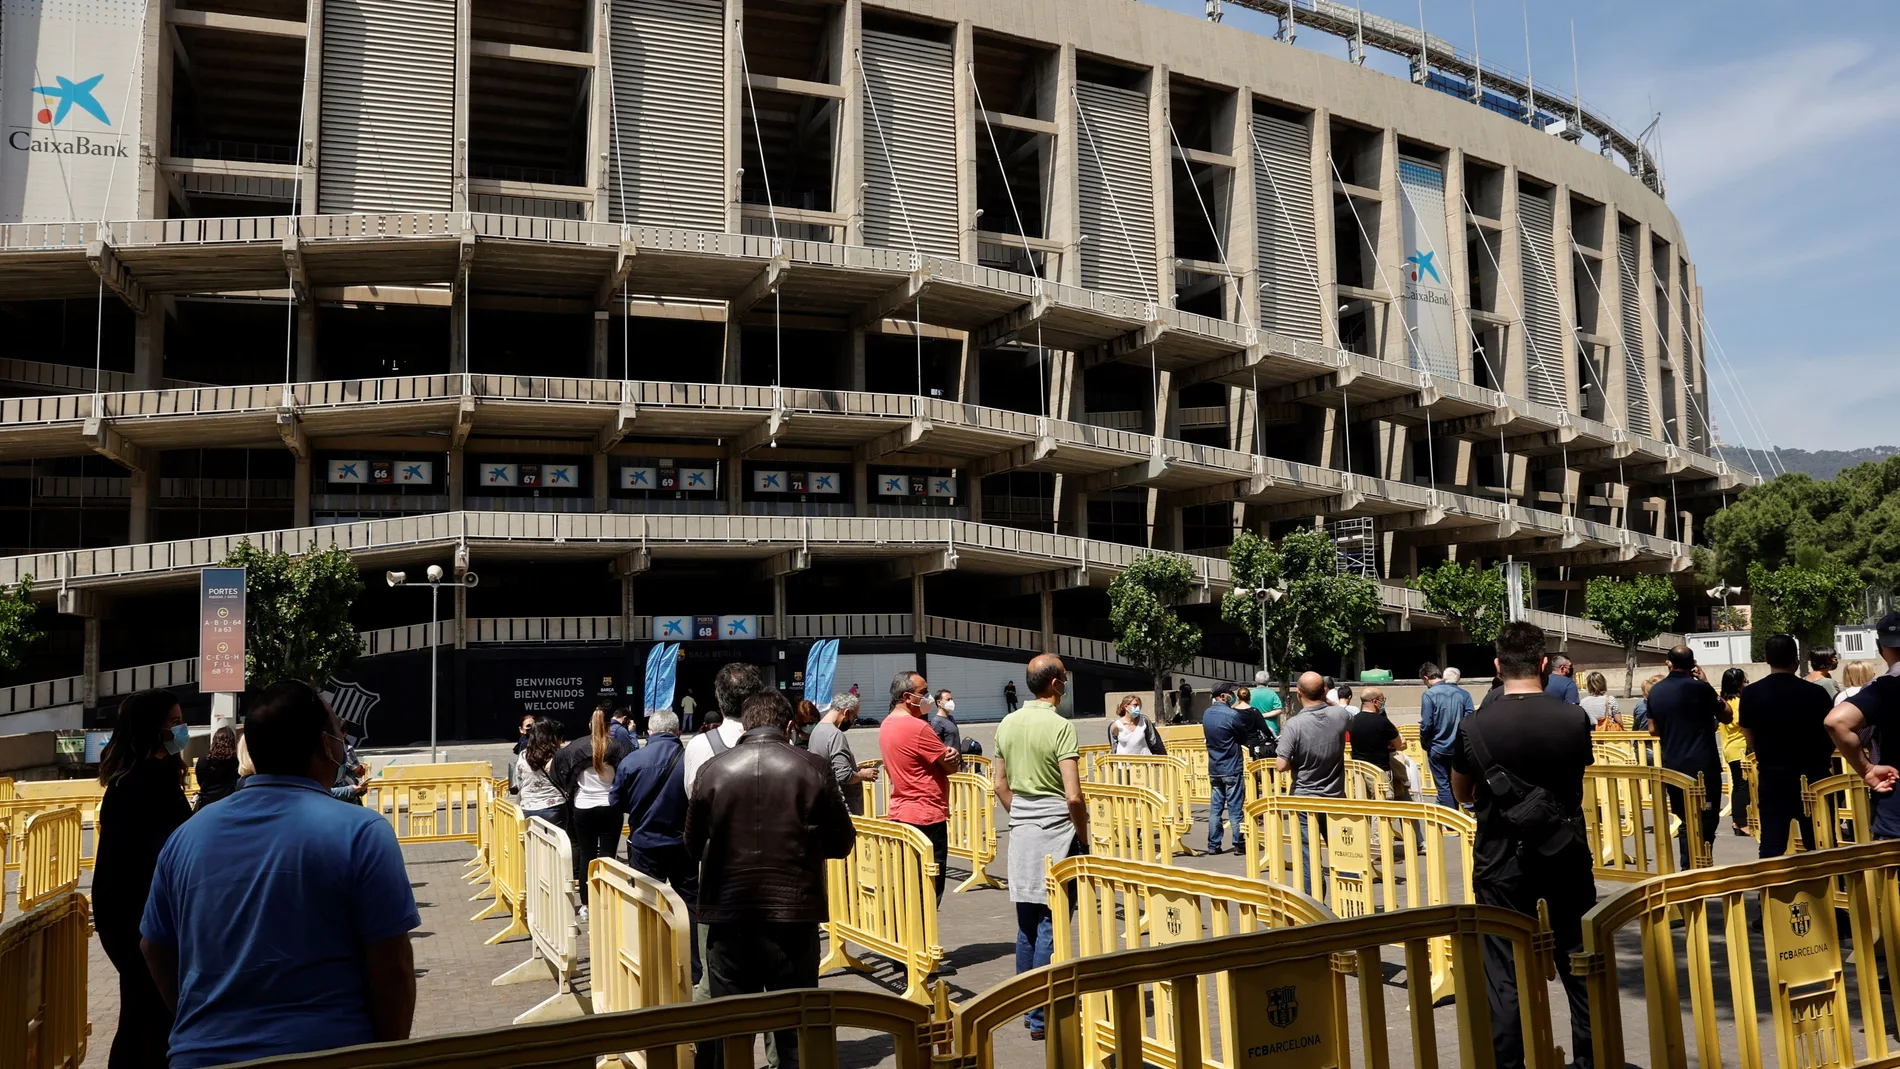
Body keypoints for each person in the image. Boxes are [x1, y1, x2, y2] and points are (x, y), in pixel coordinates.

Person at [140, 680, 418, 1069]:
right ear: (326, 744)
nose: (343, 740)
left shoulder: (186, 837)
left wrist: (201, 1028)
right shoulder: (362, 832)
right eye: (339, 730)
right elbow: (393, 968)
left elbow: (154, 949)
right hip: (330, 1053)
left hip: (199, 1056)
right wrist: (386, 1055)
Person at [1449, 620, 1594, 1069]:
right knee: (1579, 962)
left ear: (1497, 665)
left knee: (1502, 970)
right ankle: (1592, 1056)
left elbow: (1461, 793)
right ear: (1545, 664)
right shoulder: (1574, 718)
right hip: (1564, 851)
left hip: (1500, 859)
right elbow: (1576, 777)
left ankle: (1510, 1063)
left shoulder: (1475, 727)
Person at [686, 690, 855, 1069]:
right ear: (790, 725)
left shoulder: (712, 770)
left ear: (744, 725)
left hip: (729, 916)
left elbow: (693, 844)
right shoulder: (812, 766)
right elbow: (841, 840)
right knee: (795, 1028)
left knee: (730, 1026)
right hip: (793, 916)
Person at [93, 689, 193, 1069]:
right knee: (148, 1016)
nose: (181, 729)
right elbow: (156, 855)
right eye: (174, 722)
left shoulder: (155, 776)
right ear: (153, 728)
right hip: (135, 919)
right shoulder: (137, 785)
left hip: (142, 918)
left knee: (144, 1013)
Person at [993, 653, 1087, 1042]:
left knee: (1026, 924)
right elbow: (1074, 797)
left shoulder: (1007, 722)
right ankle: (1041, 1013)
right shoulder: (1061, 727)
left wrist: (1023, 815)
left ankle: (1026, 1006)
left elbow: (999, 784)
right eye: (1063, 678)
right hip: (1057, 832)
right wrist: (1084, 837)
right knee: (1052, 921)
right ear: (1054, 684)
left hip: (1022, 830)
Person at [609, 709, 702, 986]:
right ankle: (695, 968)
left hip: (644, 844)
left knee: (646, 905)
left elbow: (617, 802)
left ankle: (649, 967)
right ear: (677, 732)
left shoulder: (631, 761)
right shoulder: (690, 760)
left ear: (649, 733)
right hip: (682, 843)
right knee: (690, 906)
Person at [1740, 634, 1835, 857]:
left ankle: (1770, 889)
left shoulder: (1752, 693)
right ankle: (1831, 888)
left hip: (1773, 775)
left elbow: (1749, 736)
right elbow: (1830, 732)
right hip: (1813, 776)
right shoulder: (1816, 692)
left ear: (1766, 658)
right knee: (1821, 841)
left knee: (1772, 843)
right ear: (1795, 658)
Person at [881, 670, 962, 901]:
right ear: (907, 697)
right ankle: (923, 936)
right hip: (926, 814)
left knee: (908, 884)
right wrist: (953, 756)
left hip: (901, 812)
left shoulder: (887, 723)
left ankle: (907, 933)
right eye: (923, 692)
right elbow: (950, 767)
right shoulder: (918, 728)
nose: (927, 698)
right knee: (928, 889)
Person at [1645, 645, 1726, 868]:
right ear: (1693, 664)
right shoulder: (1701, 689)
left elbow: (1653, 729)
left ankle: (1688, 866)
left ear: (1668, 663)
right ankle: (1701, 862)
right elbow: (1726, 715)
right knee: (1707, 818)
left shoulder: (1656, 691)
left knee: (1685, 818)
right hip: (1704, 765)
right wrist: (1707, 683)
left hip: (1674, 765)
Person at [1824, 613, 1900, 841]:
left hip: (1895, 804)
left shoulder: (1885, 688)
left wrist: (1866, 769)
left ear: (1879, 647)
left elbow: (1837, 721)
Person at [552, 705, 632, 917]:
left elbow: (557, 771)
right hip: (610, 807)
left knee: (586, 855)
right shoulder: (619, 747)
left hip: (584, 807)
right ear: (608, 727)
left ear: (590, 725)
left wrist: (569, 790)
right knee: (608, 856)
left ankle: (587, 904)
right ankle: (608, 900)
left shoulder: (574, 747)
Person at [1277, 672, 1351, 882]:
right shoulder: (1339, 716)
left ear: (1298, 692)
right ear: (1325, 691)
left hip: (1305, 797)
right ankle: (1348, 895)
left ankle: (1314, 900)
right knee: (1342, 850)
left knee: (1309, 854)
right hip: (1335, 796)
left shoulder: (1295, 724)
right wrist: (1326, 699)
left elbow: (1280, 765)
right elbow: (1346, 717)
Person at [683, 663, 765, 798]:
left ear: (719, 701)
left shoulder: (698, 746)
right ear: (757, 699)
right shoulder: (783, 743)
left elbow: (693, 797)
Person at [1200, 684, 1251, 854]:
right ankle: (1239, 843)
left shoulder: (1207, 714)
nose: (1232, 696)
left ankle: (1213, 845)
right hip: (1231, 766)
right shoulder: (1231, 714)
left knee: (1216, 808)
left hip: (1214, 767)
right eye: (1230, 693)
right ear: (1223, 696)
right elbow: (1243, 737)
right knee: (1235, 808)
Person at [808, 693, 878, 815]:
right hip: (844, 808)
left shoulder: (817, 730)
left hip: (827, 803)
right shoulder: (835, 735)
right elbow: (844, 776)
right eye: (854, 716)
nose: (853, 721)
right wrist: (863, 774)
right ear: (846, 713)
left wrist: (855, 769)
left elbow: (832, 766)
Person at [1418, 662, 1474, 808]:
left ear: (1426, 678)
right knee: (1460, 781)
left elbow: (1427, 724)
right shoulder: (1462, 694)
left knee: (1443, 785)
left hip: (1437, 747)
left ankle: (1451, 824)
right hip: (1458, 746)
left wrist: (1425, 741)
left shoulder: (1429, 695)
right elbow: (1470, 718)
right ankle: (1467, 816)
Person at [1717, 668, 1750, 836]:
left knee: (1738, 785)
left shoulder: (1723, 700)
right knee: (1743, 786)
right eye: (1745, 681)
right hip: (1740, 748)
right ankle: (1742, 822)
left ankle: (1739, 821)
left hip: (1730, 748)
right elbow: (1741, 723)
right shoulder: (1739, 701)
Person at [515, 717, 566, 825]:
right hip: (555, 805)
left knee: (533, 841)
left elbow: (519, 781)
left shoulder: (523, 755)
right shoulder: (559, 755)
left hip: (529, 806)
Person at [193, 726, 241, 811]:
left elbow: (200, 780)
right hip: (229, 804)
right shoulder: (236, 761)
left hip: (206, 804)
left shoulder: (204, 759)